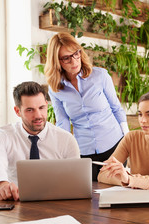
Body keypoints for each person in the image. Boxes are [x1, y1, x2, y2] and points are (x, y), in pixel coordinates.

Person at [44, 32, 129, 181]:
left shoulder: (100, 76)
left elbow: (116, 108)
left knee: (116, 192)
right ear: (57, 61)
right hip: (84, 151)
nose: (74, 61)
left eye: (76, 53)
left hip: (114, 146)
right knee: (89, 195)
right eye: (66, 58)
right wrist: (62, 151)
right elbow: (62, 121)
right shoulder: (55, 89)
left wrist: (128, 141)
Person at [0, 81, 80, 201]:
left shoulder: (66, 139)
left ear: (47, 104)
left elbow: (75, 180)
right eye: (30, 110)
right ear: (17, 111)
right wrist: (2, 184)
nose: (38, 115)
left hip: (57, 203)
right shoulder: (1, 136)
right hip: (15, 202)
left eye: (41, 108)